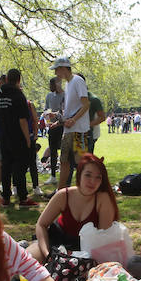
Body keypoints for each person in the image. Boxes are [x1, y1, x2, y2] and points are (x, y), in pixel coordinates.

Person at [28, 153, 118, 262]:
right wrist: (47, 254)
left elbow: (103, 239)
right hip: (56, 241)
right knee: (27, 263)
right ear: (79, 175)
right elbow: (41, 225)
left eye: (98, 177)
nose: (92, 181)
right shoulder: (64, 195)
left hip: (86, 249)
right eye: (88, 175)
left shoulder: (103, 199)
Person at [0, 68, 37, 207]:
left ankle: (6, 198)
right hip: (18, 138)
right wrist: (27, 139)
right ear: (18, 80)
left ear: (7, 79)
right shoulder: (19, 96)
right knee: (19, 169)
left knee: (6, 168)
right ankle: (23, 198)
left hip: (4, 137)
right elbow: (23, 120)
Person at [52, 57, 90, 189]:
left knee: (81, 163)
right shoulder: (68, 84)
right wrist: (60, 121)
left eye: (57, 69)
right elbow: (70, 110)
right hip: (68, 130)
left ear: (63, 68)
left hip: (79, 130)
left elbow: (86, 105)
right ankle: (60, 192)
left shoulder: (77, 81)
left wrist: (73, 120)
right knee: (64, 162)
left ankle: (84, 190)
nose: (56, 73)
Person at [44, 77, 65, 184]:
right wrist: (47, 118)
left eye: (52, 85)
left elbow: (65, 112)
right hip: (52, 128)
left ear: (58, 84)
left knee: (64, 152)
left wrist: (57, 120)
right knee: (52, 151)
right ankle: (53, 176)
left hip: (62, 127)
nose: (50, 87)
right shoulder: (49, 96)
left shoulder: (65, 95)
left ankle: (63, 174)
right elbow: (46, 109)